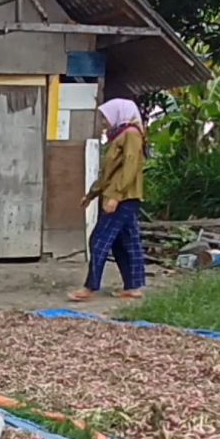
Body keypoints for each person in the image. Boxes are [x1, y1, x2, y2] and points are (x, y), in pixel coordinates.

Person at [70, 98, 148, 303]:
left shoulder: (131, 134)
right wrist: (91, 194)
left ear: (118, 113)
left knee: (99, 240)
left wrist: (115, 196)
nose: (104, 122)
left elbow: (129, 168)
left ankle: (89, 287)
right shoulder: (119, 136)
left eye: (105, 117)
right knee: (126, 242)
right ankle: (133, 287)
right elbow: (108, 173)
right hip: (121, 196)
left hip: (123, 198)